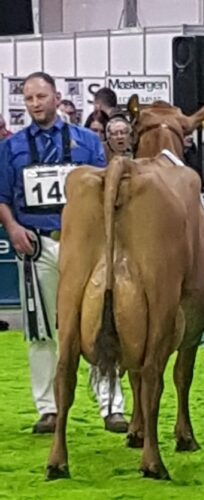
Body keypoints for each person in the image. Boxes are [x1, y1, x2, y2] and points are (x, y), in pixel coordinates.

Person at [0, 72, 128, 434]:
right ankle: (48, 408)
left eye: (41, 96)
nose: (35, 103)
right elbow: (2, 197)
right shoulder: (11, 148)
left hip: (84, 245)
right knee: (40, 329)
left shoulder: (88, 142)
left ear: (57, 97)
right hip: (36, 244)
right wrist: (12, 228)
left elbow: (108, 190)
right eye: (28, 98)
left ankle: (111, 406)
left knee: (100, 322)